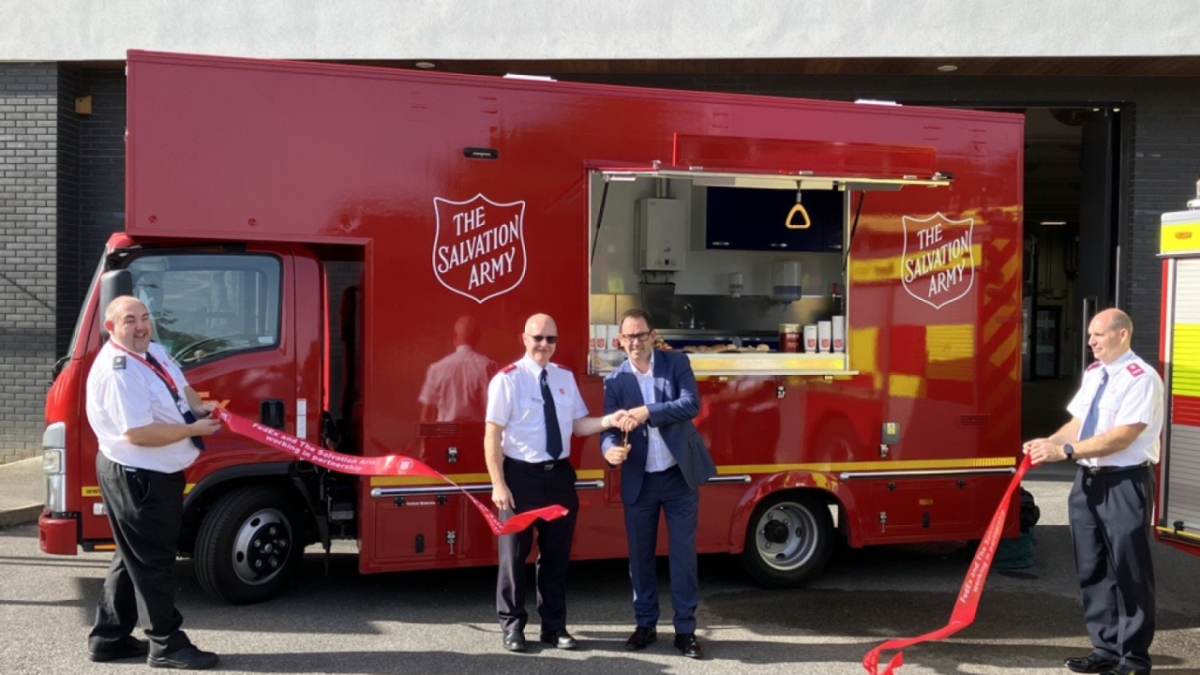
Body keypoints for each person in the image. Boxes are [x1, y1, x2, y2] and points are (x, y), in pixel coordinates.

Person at [85, 296, 222, 670]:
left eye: (145, 317)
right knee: (153, 561)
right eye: (130, 320)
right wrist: (193, 428)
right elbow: (139, 434)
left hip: (154, 473)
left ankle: (108, 639)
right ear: (111, 327)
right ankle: (166, 643)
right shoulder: (120, 371)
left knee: (131, 556)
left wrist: (200, 408)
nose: (142, 325)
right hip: (139, 476)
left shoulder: (153, 351)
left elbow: (182, 387)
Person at [1023, 308, 1163, 675]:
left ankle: (1133, 658)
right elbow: (1079, 422)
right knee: (1092, 568)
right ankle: (1104, 648)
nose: (1090, 342)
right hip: (1087, 481)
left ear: (1122, 335)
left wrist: (1066, 452)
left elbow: (1124, 435)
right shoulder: (1094, 373)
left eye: (1098, 335)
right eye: (1090, 335)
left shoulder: (1141, 378)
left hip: (1124, 480)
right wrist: (1049, 442)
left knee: (1128, 570)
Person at [484, 313, 629, 653]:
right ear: (524, 338)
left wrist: (611, 419)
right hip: (520, 477)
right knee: (512, 557)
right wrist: (498, 484)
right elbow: (492, 434)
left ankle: (554, 626)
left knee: (556, 557)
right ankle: (513, 627)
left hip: (559, 476)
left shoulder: (563, 378)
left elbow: (578, 426)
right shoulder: (508, 380)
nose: (544, 345)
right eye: (537, 338)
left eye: (551, 339)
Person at [601, 308, 716, 660]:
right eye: (628, 337)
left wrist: (648, 411)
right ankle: (646, 625)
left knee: (683, 557)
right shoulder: (615, 381)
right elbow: (607, 430)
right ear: (620, 342)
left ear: (653, 336)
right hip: (640, 480)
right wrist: (609, 453)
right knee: (640, 558)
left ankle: (685, 631)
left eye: (640, 335)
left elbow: (690, 404)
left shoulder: (675, 363)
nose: (634, 343)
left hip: (678, 476)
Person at [418, 315, 498, 422]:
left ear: (454, 337)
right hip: (478, 435)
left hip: (444, 436)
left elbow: (426, 416)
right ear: (477, 337)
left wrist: (426, 438)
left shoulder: (436, 369)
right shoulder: (488, 366)